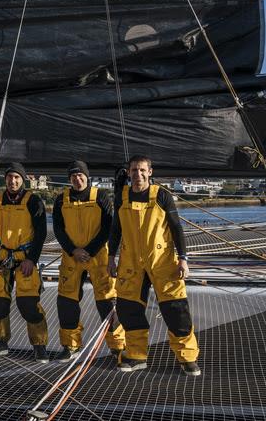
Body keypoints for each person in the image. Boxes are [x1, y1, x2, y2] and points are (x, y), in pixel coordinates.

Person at [109, 155, 201, 376]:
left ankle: (187, 357)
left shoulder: (161, 195)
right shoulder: (121, 197)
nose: (137, 175)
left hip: (162, 261)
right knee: (129, 309)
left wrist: (183, 258)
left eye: (142, 170)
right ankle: (136, 355)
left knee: (176, 310)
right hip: (131, 262)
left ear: (150, 172)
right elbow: (115, 229)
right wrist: (110, 257)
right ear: (128, 173)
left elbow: (176, 227)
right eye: (133, 170)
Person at [53, 160, 124, 361]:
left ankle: (117, 346)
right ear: (69, 179)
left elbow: (108, 226)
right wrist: (73, 250)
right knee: (66, 302)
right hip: (71, 256)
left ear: (87, 176)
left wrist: (90, 250)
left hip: (97, 255)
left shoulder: (100, 196)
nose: (77, 179)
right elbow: (58, 229)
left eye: (80, 175)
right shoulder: (61, 200)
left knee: (107, 301)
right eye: (73, 176)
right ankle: (70, 345)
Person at [0, 163, 49, 362]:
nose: (13, 181)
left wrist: (32, 259)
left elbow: (41, 233)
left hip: (24, 258)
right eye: (10, 177)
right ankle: (1, 342)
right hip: (1, 257)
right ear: (5, 179)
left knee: (28, 304)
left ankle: (39, 345)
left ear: (23, 179)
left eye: (17, 178)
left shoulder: (34, 201)